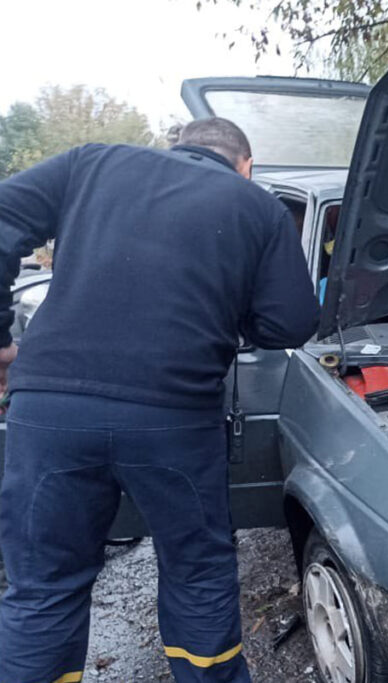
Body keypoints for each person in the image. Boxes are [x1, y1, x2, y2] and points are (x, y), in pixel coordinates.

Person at [0, 119, 319, 683]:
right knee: (196, 573)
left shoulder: (89, 163)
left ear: (177, 146)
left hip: (50, 410)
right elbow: (290, 322)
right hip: (173, 417)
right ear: (246, 163)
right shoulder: (256, 206)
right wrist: (227, 314)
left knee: (44, 584)